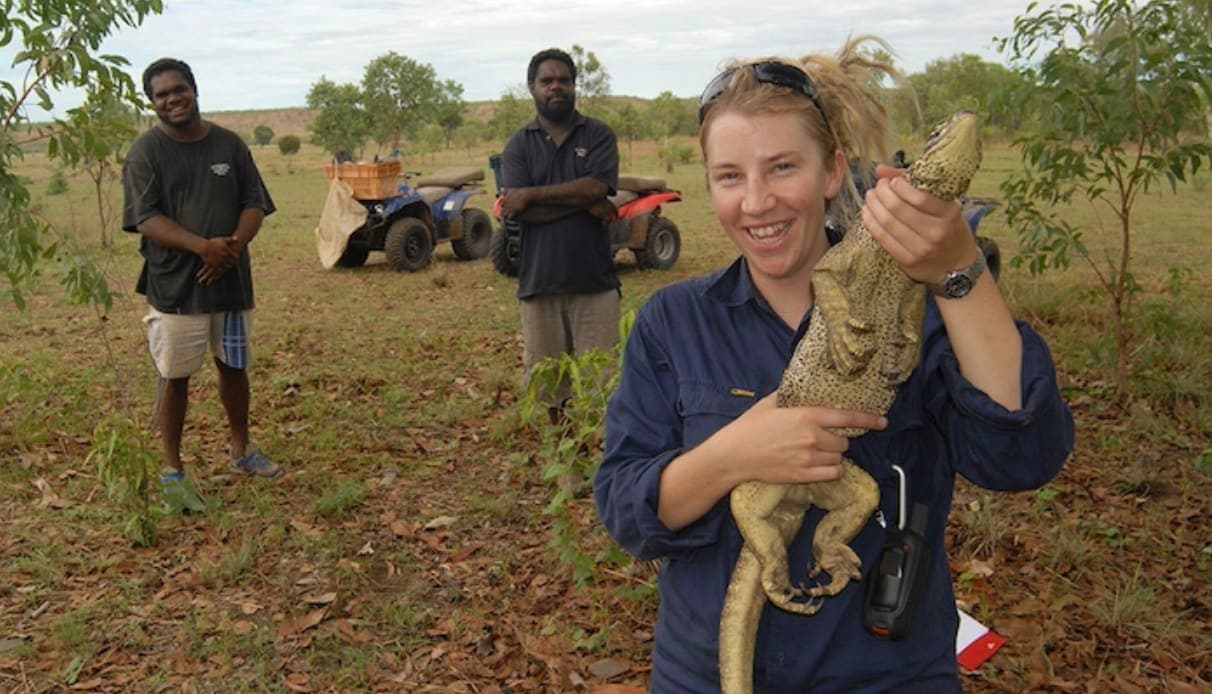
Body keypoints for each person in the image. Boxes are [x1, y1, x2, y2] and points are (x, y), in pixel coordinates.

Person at [594, 37, 1075, 691]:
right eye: (730, 176)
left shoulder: (926, 306)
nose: (757, 201)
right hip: (705, 672)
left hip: (886, 674)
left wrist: (961, 274)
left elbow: (1021, 459)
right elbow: (626, 512)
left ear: (831, 173)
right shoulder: (674, 322)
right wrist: (735, 453)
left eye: (783, 167)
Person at [123, 57, 283, 511]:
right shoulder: (146, 153)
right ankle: (173, 470)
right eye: (161, 94)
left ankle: (242, 450)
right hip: (175, 289)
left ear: (194, 89)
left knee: (233, 366)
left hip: (231, 282)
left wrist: (229, 248)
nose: (172, 99)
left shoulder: (229, 145)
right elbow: (145, 218)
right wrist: (202, 248)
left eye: (179, 89)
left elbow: (254, 202)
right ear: (152, 103)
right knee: (174, 377)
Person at [499, 48, 621, 423]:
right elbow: (518, 209)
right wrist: (586, 200)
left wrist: (531, 195)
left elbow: (595, 187)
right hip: (539, 285)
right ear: (531, 88)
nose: (556, 87)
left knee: (601, 387)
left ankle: (601, 473)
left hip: (595, 284)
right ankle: (565, 473)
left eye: (563, 80)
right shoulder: (519, 145)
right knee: (550, 390)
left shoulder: (598, 134)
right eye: (546, 81)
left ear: (574, 86)